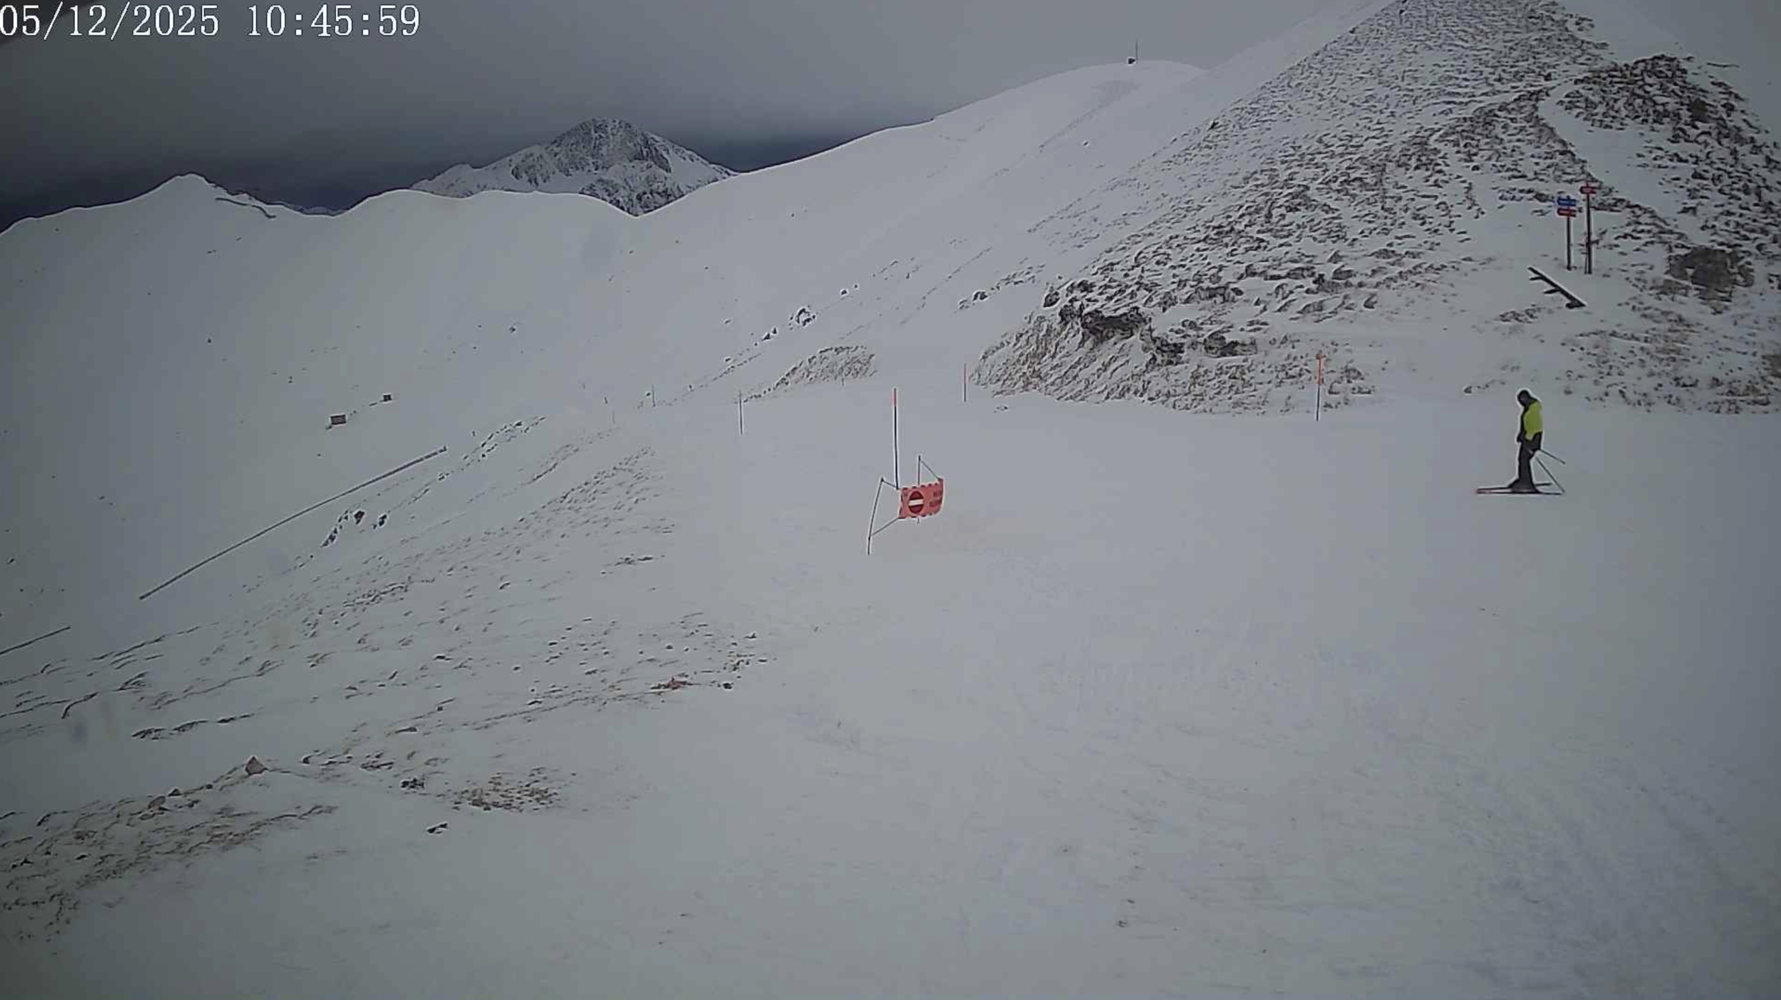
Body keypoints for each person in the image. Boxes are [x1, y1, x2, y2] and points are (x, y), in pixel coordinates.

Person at [1509, 388, 1544, 492]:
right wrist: (1521, 435)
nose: (1521, 402)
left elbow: (1535, 427)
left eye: (1522, 399)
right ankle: (1523, 479)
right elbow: (1526, 425)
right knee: (1522, 459)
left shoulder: (1532, 410)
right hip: (1529, 438)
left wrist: (1527, 438)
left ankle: (1526, 483)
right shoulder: (1529, 409)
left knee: (1524, 460)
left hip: (1532, 439)